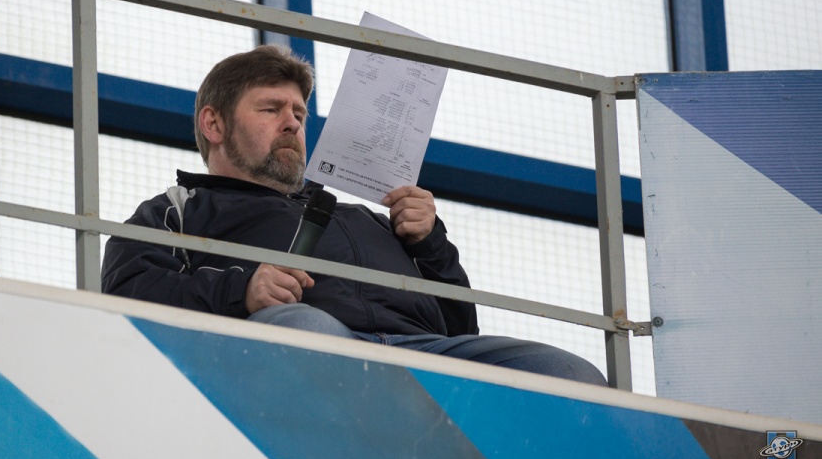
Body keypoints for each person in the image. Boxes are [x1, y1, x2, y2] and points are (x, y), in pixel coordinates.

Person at [101, 45, 607, 386]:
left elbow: (461, 327)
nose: (292, 124)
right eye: (271, 109)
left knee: (571, 376)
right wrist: (242, 291)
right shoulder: (178, 210)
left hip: (423, 358)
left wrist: (430, 241)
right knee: (302, 329)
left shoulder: (369, 216)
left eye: (299, 114)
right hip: (311, 349)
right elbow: (129, 293)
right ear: (213, 124)